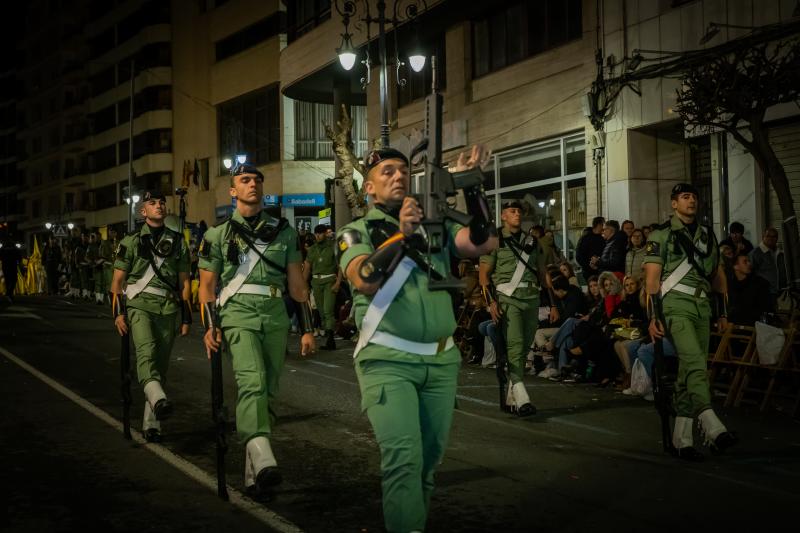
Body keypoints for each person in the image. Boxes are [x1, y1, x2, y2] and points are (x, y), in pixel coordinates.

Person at [337, 145, 496, 533]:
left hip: (441, 361)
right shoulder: (355, 231)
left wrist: (472, 188)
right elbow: (364, 278)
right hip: (387, 359)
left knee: (427, 462)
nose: (398, 176)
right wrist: (402, 237)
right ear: (369, 189)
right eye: (387, 171)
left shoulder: (434, 223)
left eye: (403, 171)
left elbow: (484, 242)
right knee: (404, 459)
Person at [198, 163, 315, 499]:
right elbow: (206, 287)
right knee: (253, 381)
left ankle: (253, 471)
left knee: (270, 391)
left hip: (276, 315)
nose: (253, 185)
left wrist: (307, 329)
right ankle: (263, 457)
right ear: (233, 191)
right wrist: (210, 326)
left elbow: (297, 285)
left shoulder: (284, 231)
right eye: (245, 180)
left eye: (257, 180)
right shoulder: (216, 235)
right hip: (238, 313)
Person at [644, 182, 738, 462]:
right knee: (696, 362)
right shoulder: (661, 235)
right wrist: (652, 317)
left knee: (689, 371)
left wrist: (722, 312)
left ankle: (682, 440)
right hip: (675, 305)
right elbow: (651, 281)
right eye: (685, 197)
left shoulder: (707, 236)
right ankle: (712, 425)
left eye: (694, 196)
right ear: (674, 203)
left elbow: (718, 277)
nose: (691, 201)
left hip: (703, 305)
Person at [110, 191, 192, 443]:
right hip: (140, 305)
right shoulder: (131, 241)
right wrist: (117, 314)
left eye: (161, 202)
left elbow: (184, 282)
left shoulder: (178, 241)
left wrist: (187, 316)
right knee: (146, 354)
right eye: (152, 203)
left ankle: (152, 422)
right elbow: (117, 283)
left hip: (167, 307)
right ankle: (158, 400)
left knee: (161, 364)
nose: (159, 206)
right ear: (143, 212)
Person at [480, 200, 538, 416]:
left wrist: (553, 303)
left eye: (519, 211)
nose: (517, 215)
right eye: (512, 211)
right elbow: (484, 276)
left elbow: (542, 272)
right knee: (515, 344)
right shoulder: (494, 240)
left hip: (532, 297)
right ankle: (522, 398)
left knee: (524, 347)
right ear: (503, 216)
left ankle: (513, 392)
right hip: (508, 298)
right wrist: (490, 303)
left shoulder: (532, 240)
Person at [303, 224, 342, 350]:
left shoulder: (332, 247)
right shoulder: (313, 249)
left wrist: (338, 283)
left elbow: (340, 266)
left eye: (320, 233)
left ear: (325, 233)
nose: (318, 235)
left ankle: (331, 339)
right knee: (321, 311)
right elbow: (307, 268)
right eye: (316, 233)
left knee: (327, 310)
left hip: (329, 281)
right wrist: (303, 284)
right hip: (316, 282)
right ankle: (329, 338)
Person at [728, 252, 773, 326]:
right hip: (736, 324)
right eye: (745, 262)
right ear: (736, 266)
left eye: (749, 261)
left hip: (754, 324)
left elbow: (765, 308)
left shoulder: (759, 283)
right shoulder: (731, 285)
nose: (749, 263)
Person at [748, 227, 788, 308]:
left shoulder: (780, 252)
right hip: (765, 293)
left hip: (781, 292)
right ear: (763, 237)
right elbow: (750, 273)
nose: (771, 239)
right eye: (768, 236)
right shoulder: (755, 253)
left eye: (774, 236)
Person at [0, 235, 22, 301]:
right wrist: (18, 261)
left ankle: (9, 293)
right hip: (12, 265)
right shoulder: (14, 248)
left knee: (8, 280)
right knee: (13, 279)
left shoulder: (3, 248)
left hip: (6, 265)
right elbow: (19, 256)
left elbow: (0, 256)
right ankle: (9, 292)